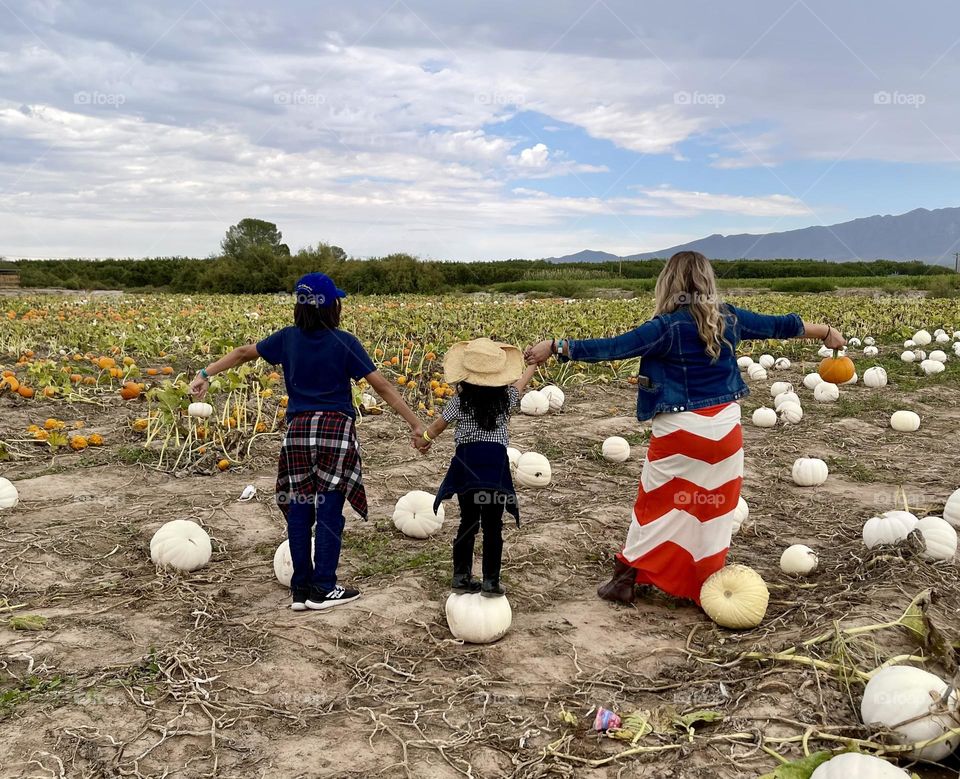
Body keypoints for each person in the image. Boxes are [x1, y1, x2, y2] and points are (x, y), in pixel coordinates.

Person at [524, 251, 845, 606]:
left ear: (668, 283)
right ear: (708, 283)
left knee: (657, 504)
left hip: (681, 433)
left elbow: (612, 348)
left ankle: (626, 578)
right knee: (713, 507)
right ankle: (702, 583)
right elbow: (784, 326)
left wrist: (557, 346)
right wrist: (827, 332)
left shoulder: (664, 327)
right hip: (724, 432)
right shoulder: (731, 319)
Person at [190, 273, 424, 611]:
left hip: (298, 431)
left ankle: (300, 589)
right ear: (333, 307)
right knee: (330, 508)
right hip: (335, 431)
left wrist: (204, 375)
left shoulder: (287, 339)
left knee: (299, 508)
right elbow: (383, 387)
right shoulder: (344, 342)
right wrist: (415, 424)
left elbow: (242, 353)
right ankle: (324, 588)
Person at [415, 338, 537, 597]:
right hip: (494, 468)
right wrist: (533, 365)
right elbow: (521, 384)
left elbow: (436, 428)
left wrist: (423, 441)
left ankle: (460, 577)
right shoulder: (507, 399)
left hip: (467, 466)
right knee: (493, 526)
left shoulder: (460, 402)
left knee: (468, 522)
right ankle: (491, 582)